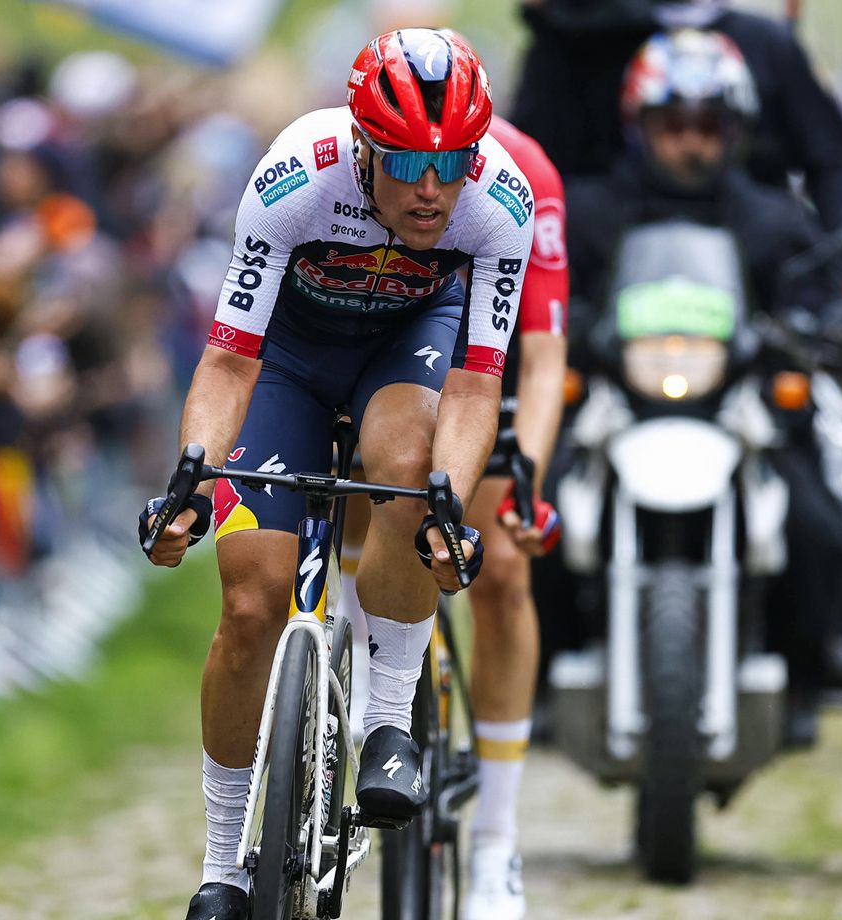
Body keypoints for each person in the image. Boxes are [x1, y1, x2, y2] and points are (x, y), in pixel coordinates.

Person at [140, 29, 534, 920]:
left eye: (453, 161)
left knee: (408, 471)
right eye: (406, 161)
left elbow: (476, 386)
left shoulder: (498, 202)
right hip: (285, 361)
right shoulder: (293, 177)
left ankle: (387, 718)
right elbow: (230, 361)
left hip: (411, 348)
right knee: (250, 601)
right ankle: (222, 864)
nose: (433, 189)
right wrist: (192, 480)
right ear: (361, 144)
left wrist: (449, 499)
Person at [565, 30, 842, 746]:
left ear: (737, 132)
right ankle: (549, 656)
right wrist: (564, 325)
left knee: (813, 503)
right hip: (618, 399)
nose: (692, 144)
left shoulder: (775, 217)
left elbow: (823, 284)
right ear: (639, 125)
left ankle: (815, 659)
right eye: (674, 126)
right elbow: (550, 288)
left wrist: (832, 316)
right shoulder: (591, 211)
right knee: (539, 499)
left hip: (740, 402)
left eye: (709, 127)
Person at [510, 0, 842, 244]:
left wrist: (839, 278)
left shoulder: (767, 45)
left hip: (750, 255)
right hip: (609, 252)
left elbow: (835, 164)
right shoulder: (579, 40)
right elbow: (527, 164)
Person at [460, 114, 566, 920]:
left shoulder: (525, 171)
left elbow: (543, 356)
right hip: (384, 343)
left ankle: (496, 837)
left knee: (501, 570)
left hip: (489, 365)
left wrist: (524, 473)